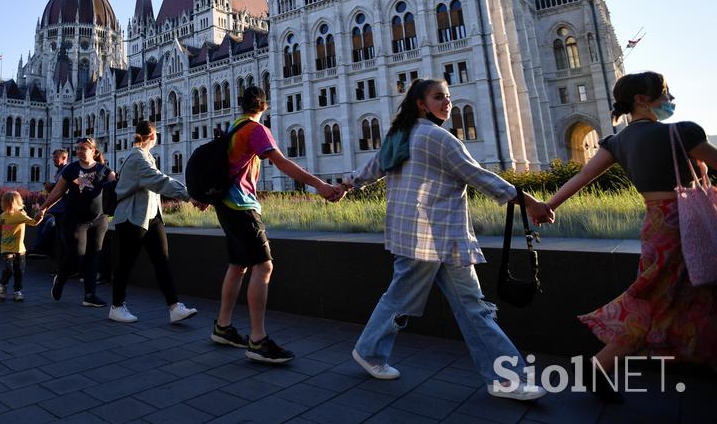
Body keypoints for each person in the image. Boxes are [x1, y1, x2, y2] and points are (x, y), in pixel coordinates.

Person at [341, 79, 551, 401]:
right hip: (435, 235)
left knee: (439, 303)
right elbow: (479, 176)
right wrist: (529, 202)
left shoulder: (401, 135)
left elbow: (372, 169)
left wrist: (345, 185)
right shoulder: (438, 137)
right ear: (422, 104)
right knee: (470, 308)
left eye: (448, 97)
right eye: (439, 97)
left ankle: (370, 351)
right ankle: (506, 378)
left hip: (419, 236)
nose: (447, 102)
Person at [545, 71, 717, 401]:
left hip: (655, 224)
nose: (669, 99)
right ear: (642, 100)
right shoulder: (684, 132)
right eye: (664, 93)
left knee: (669, 296)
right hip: (686, 223)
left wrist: (548, 205)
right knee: (663, 299)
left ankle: (599, 367)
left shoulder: (617, 141)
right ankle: (597, 366)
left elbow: (582, 177)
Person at [210, 86, 344, 365]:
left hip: (225, 205)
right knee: (264, 266)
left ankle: (223, 327)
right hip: (241, 206)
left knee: (238, 265)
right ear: (264, 106)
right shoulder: (256, 129)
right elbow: (282, 163)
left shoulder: (235, 127)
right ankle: (257, 341)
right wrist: (318, 184)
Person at [109, 120, 198, 324]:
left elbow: (157, 183)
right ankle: (116, 306)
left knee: (162, 261)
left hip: (151, 216)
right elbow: (159, 181)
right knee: (125, 263)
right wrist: (188, 195)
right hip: (133, 216)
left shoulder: (146, 156)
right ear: (153, 137)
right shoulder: (138, 158)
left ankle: (174, 307)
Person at [38, 137, 114, 307]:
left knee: (93, 257)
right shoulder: (71, 169)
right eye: (78, 148)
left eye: (84, 148)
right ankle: (61, 278)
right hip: (75, 220)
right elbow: (57, 191)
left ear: (93, 151)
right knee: (76, 256)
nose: (79, 151)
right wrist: (43, 208)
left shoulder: (104, 169)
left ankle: (89, 295)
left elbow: (117, 184)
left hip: (99, 220)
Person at [0, 190, 43, 302]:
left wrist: (39, 216)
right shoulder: (3, 215)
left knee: (19, 271)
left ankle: (17, 291)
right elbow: (0, 228)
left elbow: (33, 223)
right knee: (9, 269)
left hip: (20, 249)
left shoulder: (20, 215)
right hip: (6, 248)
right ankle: (3, 284)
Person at [28, 149, 68, 259]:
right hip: (57, 208)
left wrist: (52, 187)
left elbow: (63, 189)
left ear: (64, 158)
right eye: (53, 157)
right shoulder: (59, 171)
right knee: (45, 222)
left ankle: (40, 249)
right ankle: (38, 248)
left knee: (53, 227)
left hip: (63, 209)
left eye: (56, 157)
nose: (54, 160)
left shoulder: (66, 170)